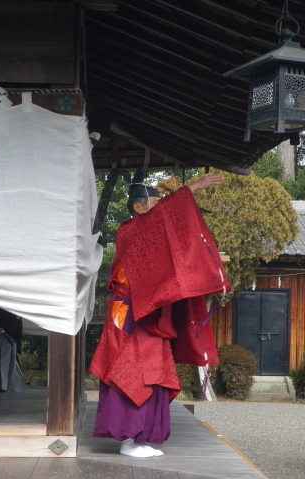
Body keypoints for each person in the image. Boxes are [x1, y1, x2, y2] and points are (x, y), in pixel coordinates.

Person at [89, 172, 230, 458]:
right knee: (128, 370)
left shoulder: (149, 231)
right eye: (155, 203)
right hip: (127, 312)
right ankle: (128, 439)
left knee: (154, 372)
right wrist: (190, 188)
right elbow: (163, 219)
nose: (159, 209)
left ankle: (141, 437)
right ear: (138, 207)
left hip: (148, 311)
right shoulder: (130, 229)